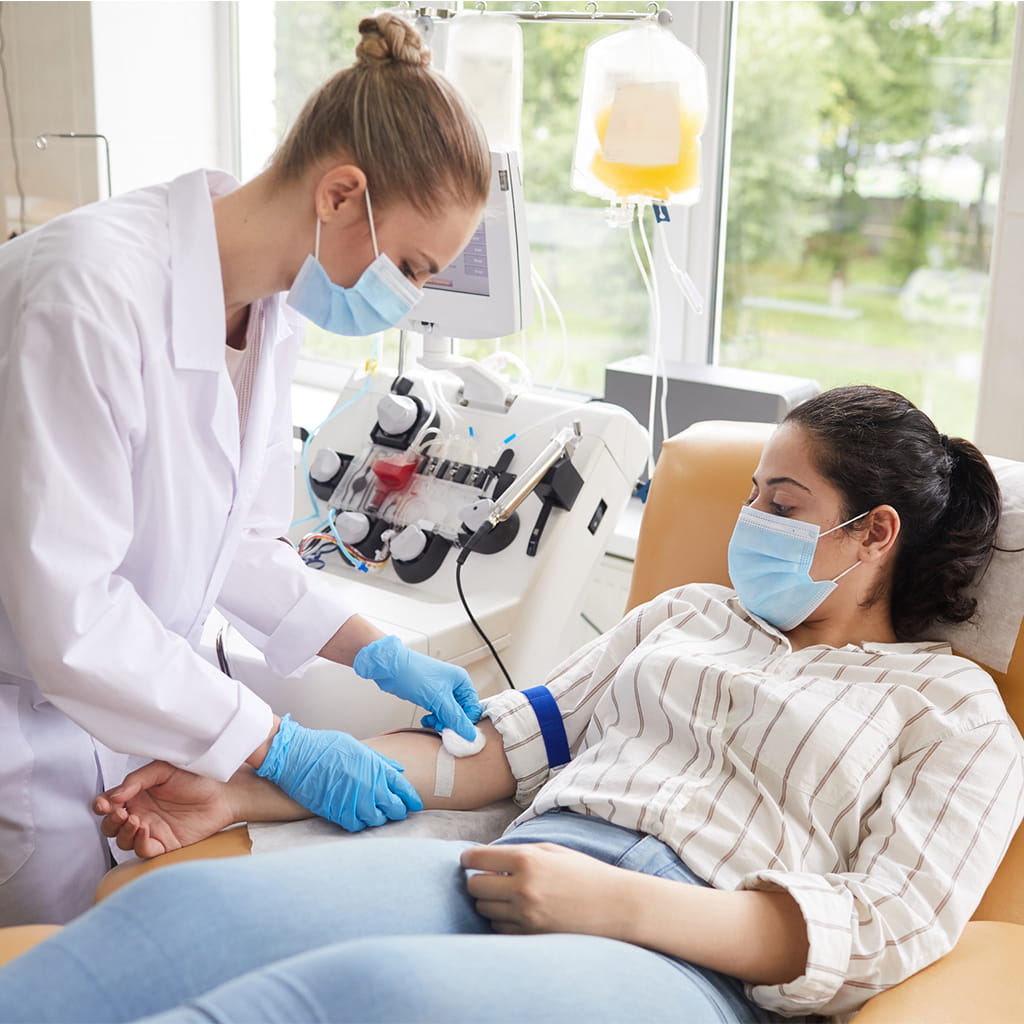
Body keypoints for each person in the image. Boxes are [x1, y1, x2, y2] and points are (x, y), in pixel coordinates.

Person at [2, 385, 1023, 1023]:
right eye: (751, 492)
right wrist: (246, 789)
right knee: (183, 915)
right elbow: (491, 750)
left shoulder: (955, 711)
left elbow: (885, 923)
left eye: (782, 504)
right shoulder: (688, 615)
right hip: (515, 865)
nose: (749, 518)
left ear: (874, 533)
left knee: (370, 1001)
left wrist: (617, 903)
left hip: (688, 960)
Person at [0, 13, 492, 927]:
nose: (408, 300)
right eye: (411, 267)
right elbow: (70, 611)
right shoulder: (88, 293)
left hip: (115, 727)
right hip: (21, 731)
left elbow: (242, 544)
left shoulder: (271, 312)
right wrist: (281, 747)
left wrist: (371, 649)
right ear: (340, 194)